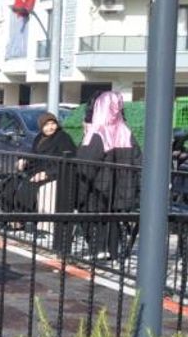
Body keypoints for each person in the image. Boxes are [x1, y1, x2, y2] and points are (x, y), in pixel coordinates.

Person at [74, 90, 140, 261]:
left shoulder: (97, 134)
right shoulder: (127, 133)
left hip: (98, 190)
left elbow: (85, 167)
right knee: (113, 218)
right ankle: (112, 251)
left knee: (88, 213)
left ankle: (98, 248)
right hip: (123, 191)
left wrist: (77, 195)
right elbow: (138, 161)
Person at [17, 111, 77, 248]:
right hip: (38, 171)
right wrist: (24, 161)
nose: (50, 127)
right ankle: (17, 219)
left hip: (57, 174)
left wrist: (47, 173)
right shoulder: (39, 138)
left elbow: (67, 161)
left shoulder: (63, 138)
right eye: (46, 125)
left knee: (37, 189)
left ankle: (42, 226)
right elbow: (34, 156)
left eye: (52, 124)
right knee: (12, 184)